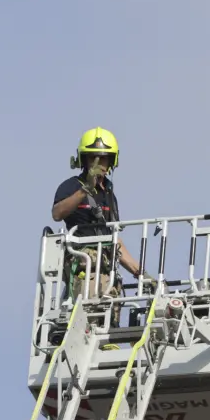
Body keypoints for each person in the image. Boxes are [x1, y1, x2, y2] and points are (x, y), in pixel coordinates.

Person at [51, 127, 147, 330]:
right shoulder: (71, 186)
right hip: (84, 263)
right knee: (93, 308)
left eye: (104, 159)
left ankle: (108, 336)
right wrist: (84, 190)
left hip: (107, 264)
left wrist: (140, 273)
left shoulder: (109, 194)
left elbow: (114, 239)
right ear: (83, 160)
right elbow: (57, 213)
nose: (99, 164)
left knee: (110, 304)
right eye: (93, 158)